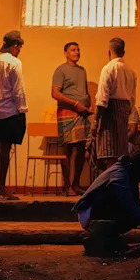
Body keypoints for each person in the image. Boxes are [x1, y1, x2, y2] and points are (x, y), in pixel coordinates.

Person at [0, 30, 28, 201]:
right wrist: (22, 110)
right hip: (9, 111)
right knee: (5, 151)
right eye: (20, 47)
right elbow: (18, 91)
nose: (20, 50)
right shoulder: (15, 63)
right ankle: (2, 189)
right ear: (15, 46)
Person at [71, 151, 140, 234]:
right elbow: (127, 201)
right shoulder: (120, 174)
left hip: (95, 212)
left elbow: (134, 200)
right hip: (89, 215)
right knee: (134, 214)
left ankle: (110, 237)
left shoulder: (128, 172)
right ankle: (103, 235)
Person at [87, 37, 137, 173]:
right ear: (123, 52)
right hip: (124, 114)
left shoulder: (108, 69)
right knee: (120, 155)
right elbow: (132, 100)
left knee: (109, 155)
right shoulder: (131, 72)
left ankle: (110, 187)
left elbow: (102, 100)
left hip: (110, 113)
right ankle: (118, 185)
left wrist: (95, 122)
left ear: (109, 52)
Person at [51, 41, 92, 196]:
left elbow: (85, 92)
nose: (76, 52)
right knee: (67, 149)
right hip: (67, 112)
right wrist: (75, 103)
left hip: (82, 114)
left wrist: (89, 105)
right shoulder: (60, 70)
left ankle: (76, 184)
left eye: (78, 50)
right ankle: (67, 186)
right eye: (73, 50)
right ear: (66, 53)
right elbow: (55, 93)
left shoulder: (82, 70)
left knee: (81, 149)